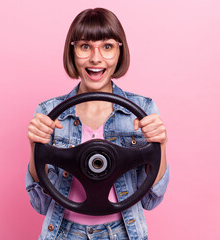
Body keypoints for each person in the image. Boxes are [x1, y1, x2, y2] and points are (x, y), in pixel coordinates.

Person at [25, 8, 169, 240]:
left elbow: (151, 199)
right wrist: (35, 145)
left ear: (120, 51)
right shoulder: (49, 114)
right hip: (63, 233)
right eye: (85, 46)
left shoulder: (143, 111)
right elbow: (40, 205)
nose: (95, 58)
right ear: (72, 52)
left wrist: (160, 143)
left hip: (124, 233)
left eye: (107, 46)